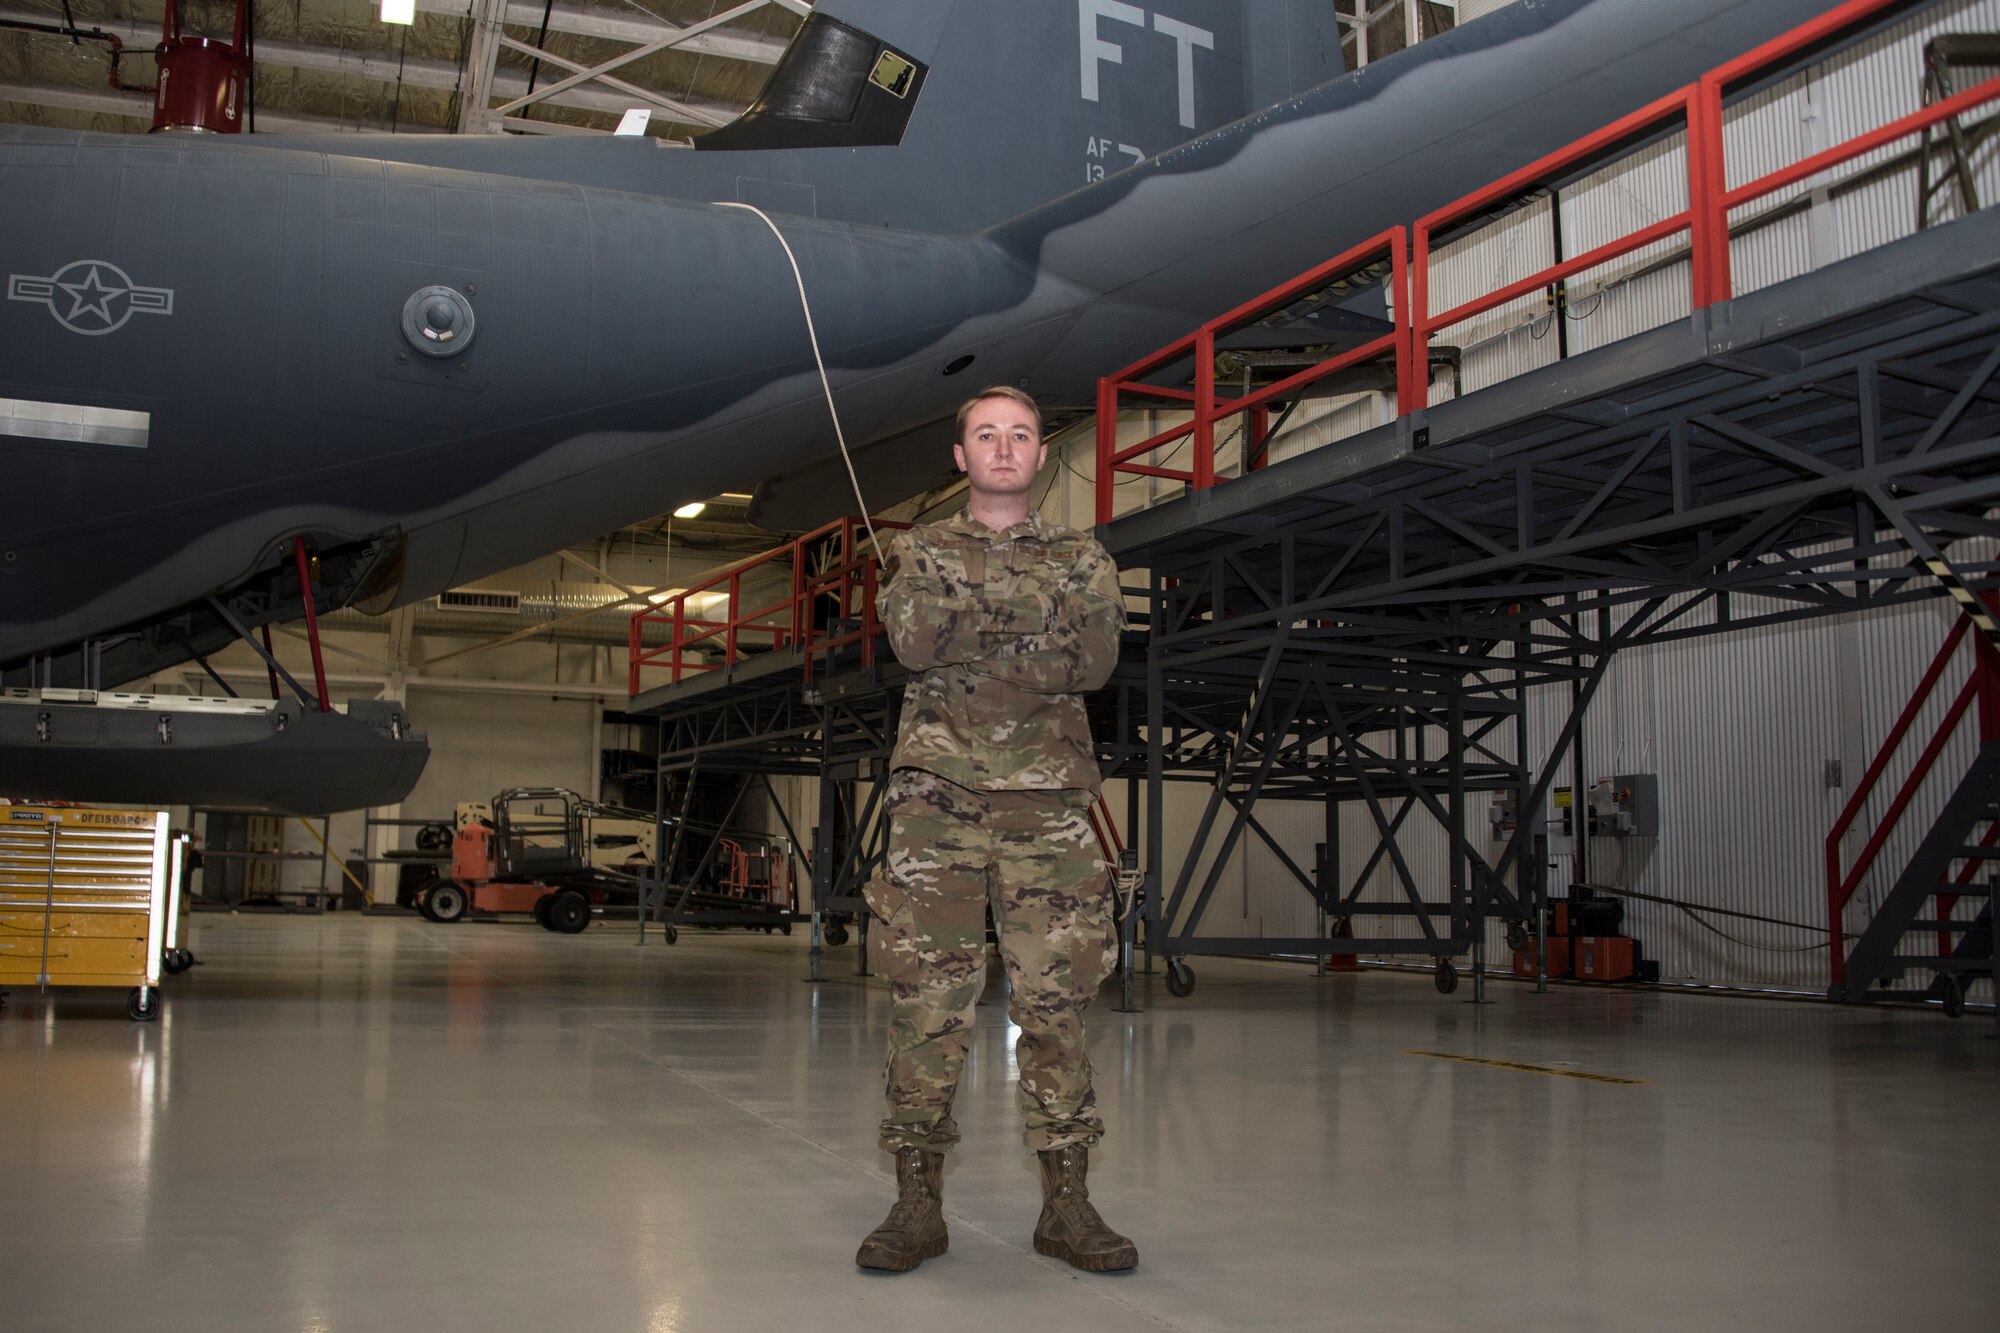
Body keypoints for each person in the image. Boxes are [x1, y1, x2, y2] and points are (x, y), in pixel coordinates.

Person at [856, 385, 1134, 1274]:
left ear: (1043, 454)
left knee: (1057, 1001)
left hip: (1048, 804)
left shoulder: (1083, 554)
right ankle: (914, 1203)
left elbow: (1091, 661)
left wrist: (971, 627)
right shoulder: (921, 547)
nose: (1005, 447)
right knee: (928, 1000)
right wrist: (1028, 631)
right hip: (938, 800)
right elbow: (910, 643)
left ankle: (1067, 1204)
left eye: (1020, 434)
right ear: (961, 455)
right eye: (987, 434)